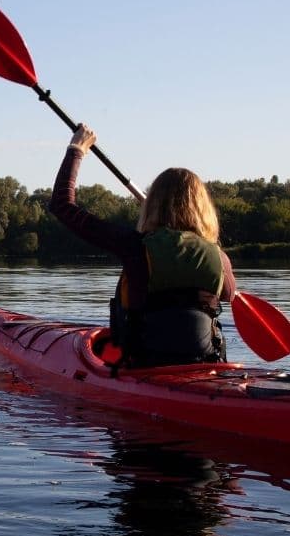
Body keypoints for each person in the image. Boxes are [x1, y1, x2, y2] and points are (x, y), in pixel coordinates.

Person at [50, 124, 236, 367]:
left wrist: (77, 149)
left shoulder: (133, 246)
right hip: (206, 364)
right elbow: (229, 295)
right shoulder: (219, 258)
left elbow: (62, 205)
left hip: (143, 365)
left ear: (152, 205)